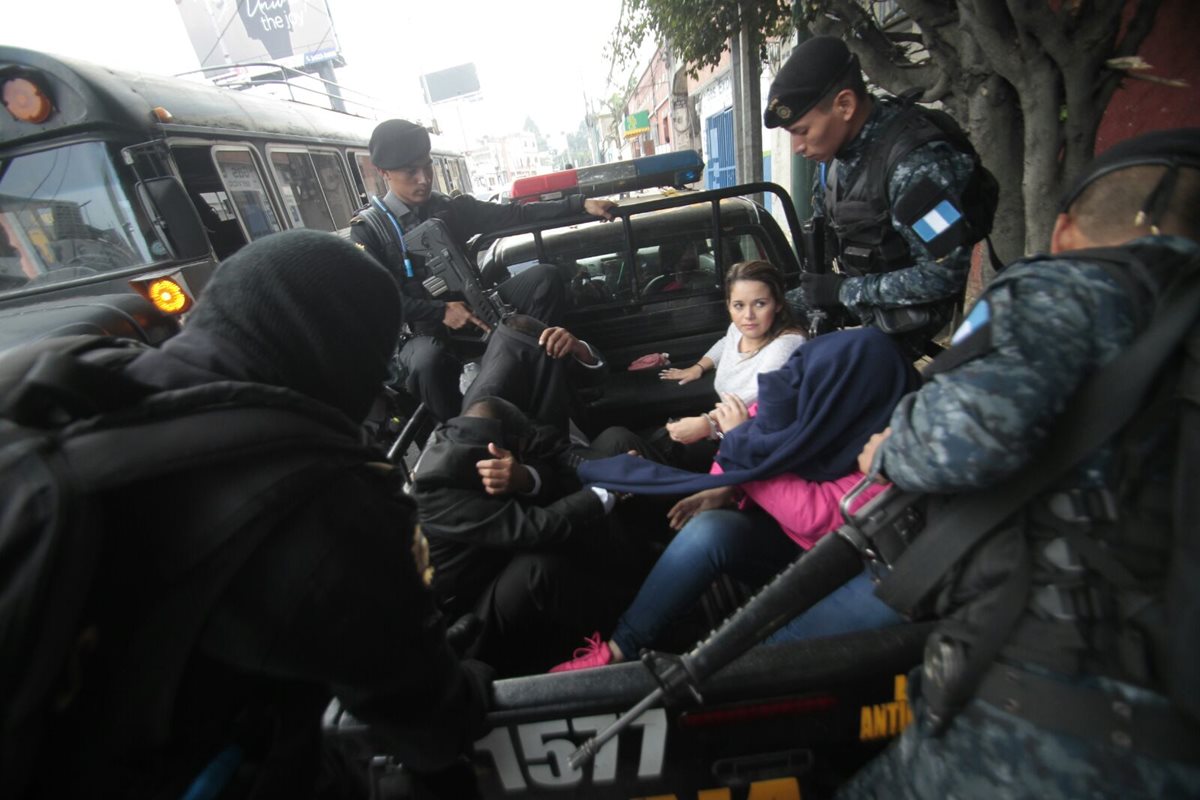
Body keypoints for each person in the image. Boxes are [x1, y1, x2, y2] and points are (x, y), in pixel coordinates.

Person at [31, 230, 491, 798]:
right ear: (347, 357)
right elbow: (429, 728)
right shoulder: (328, 503)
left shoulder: (84, 390)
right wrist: (472, 683)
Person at [840, 129, 1200, 797]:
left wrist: (892, 445)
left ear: (1063, 233)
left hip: (1046, 727)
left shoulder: (1063, 292)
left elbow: (968, 434)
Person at [550, 328, 917, 672]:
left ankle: (732, 679)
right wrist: (722, 486)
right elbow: (749, 436)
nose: (807, 387)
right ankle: (620, 648)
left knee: (767, 658)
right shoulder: (806, 401)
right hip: (783, 537)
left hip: (833, 561)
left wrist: (741, 453)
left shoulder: (891, 451)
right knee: (710, 528)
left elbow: (814, 516)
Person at [350, 119, 618, 422]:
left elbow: (514, 213)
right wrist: (438, 311)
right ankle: (462, 434)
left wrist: (580, 204)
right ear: (384, 172)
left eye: (427, 167)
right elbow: (377, 302)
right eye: (410, 171)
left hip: (479, 309)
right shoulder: (369, 230)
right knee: (427, 362)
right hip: (422, 330)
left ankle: (536, 372)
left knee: (544, 278)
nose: (423, 179)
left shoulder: (448, 207)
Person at [764, 36, 994, 357]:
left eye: (802, 131)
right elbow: (826, 240)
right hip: (866, 309)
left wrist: (844, 291)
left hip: (906, 322)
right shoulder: (835, 159)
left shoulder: (916, 165)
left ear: (845, 105)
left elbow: (944, 275)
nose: (797, 147)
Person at [411, 395, 656, 677]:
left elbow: (547, 470)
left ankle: (648, 560)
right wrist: (608, 489)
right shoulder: (436, 487)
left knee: (613, 445)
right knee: (539, 567)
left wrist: (523, 478)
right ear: (504, 444)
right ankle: (636, 621)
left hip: (499, 561)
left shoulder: (470, 437)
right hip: (468, 620)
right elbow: (535, 528)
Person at [656, 260, 806, 469]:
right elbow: (725, 343)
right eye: (739, 305)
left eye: (760, 303)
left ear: (778, 303)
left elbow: (756, 398)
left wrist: (708, 425)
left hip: (760, 442)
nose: (748, 315)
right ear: (728, 304)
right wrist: (698, 368)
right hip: (729, 430)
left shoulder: (787, 345)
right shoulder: (739, 329)